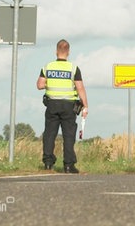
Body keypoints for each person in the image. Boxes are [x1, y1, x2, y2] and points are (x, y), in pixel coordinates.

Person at [36, 39, 88, 173]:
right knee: (69, 136)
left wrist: (51, 84)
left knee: (49, 134)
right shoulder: (73, 68)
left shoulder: (48, 67)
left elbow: (40, 85)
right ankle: (69, 165)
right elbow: (80, 88)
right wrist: (85, 106)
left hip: (52, 105)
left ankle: (48, 163)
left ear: (56, 51)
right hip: (68, 106)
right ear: (68, 52)